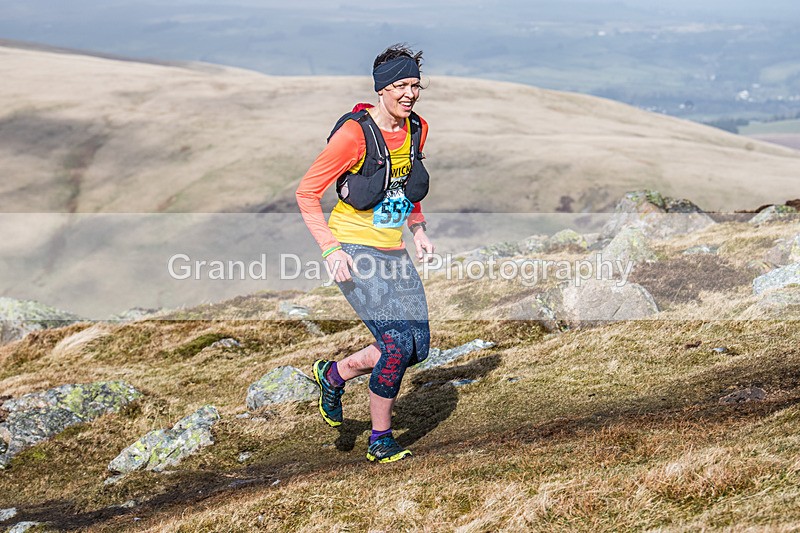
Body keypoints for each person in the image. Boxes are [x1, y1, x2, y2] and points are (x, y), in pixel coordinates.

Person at [295, 44, 434, 463]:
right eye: (400, 86)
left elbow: (404, 184)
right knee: (395, 344)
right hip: (353, 248)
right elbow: (306, 193)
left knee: (417, 347)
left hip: (391, 248)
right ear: (381, 89)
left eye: (415, 85)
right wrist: (331, 250)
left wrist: (418, 229)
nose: (409, 94)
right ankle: (380, 440)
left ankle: (333, 375)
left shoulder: (417, 128)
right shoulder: (354, 136)